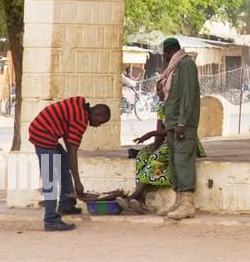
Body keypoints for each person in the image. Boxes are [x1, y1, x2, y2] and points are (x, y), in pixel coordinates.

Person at [27, 97, 111, 231]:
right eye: (101, 122)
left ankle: (66, 204)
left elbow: (68, 137)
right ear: (97, 114)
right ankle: (50, 220)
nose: (98, 125)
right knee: (49, 179)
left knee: (64, 163)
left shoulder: (79, 105)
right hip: (43, 134)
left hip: (45, 131)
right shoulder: (80, 120)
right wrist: (78, 182)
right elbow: (73, 152)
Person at [116, 123, 207, 214]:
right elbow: (159, 131)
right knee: (143, 155)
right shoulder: (161, 109)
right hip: (167, 141)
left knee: (156, 158)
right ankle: (141, 199)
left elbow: (178, 129)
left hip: (182, 140)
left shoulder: (178, 109)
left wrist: (151, 134)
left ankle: (135, 195)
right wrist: (154, 148)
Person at [156, 37, 200, 220]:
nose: (163, 58)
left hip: (183, 124)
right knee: (174, 162)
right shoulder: (173, 68)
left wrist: (183, 123)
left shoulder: (186, 65)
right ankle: (179, 201)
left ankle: (188, 204)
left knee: (183, 161)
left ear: (169, 51)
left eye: (164, 54)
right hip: (172, 123)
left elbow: (188, 96)